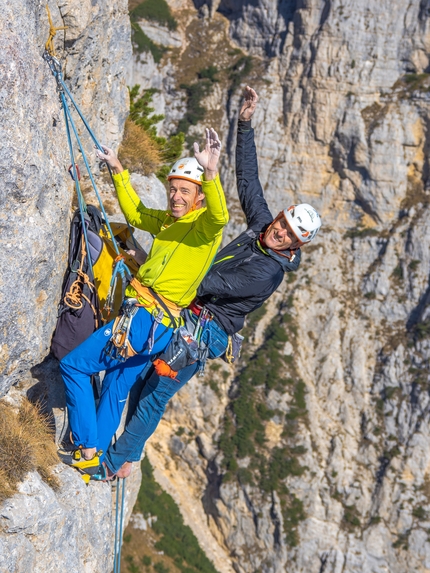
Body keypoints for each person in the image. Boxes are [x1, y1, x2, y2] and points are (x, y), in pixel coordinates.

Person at [94, 86, 322, 481]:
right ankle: (129, 451)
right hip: (189, 315)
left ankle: (115, 463)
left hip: (205, 332)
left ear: (295, 246)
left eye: (288, 235)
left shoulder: (267, 273)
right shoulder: (261, 227)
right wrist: (245, 123)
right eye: (282, 223)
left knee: (154, 393)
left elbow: (209, 280)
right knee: (141, 378)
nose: (278, 232)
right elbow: (248, 180)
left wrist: (156, 274)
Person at [59, 127, 229, 475]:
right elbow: (136, 215)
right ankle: (98, 457)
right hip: (160, 326)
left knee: (74, 366)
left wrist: (211, 174)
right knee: (116, 383)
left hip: (144, 321)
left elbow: (220, 216)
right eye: (173, 189)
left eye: (185, 191)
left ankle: (86, 445)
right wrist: (118, 170)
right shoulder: (168, 221)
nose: (176, 197)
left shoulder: (205, 227)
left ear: (199, 197)